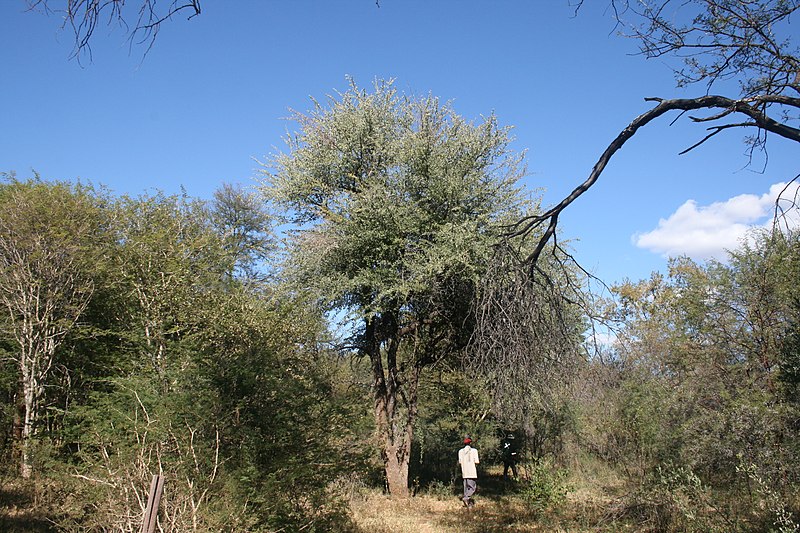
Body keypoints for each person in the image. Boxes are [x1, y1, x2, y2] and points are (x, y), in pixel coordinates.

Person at [458, 435, 480, 507]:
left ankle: (469, 504)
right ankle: (466, 498)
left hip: (464, 472)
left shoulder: (460, 451)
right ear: (470, 443)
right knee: (472, 487)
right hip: (472, 472)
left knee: (466, 488)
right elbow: (477, 461)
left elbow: (460, 462)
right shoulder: (474, 451)